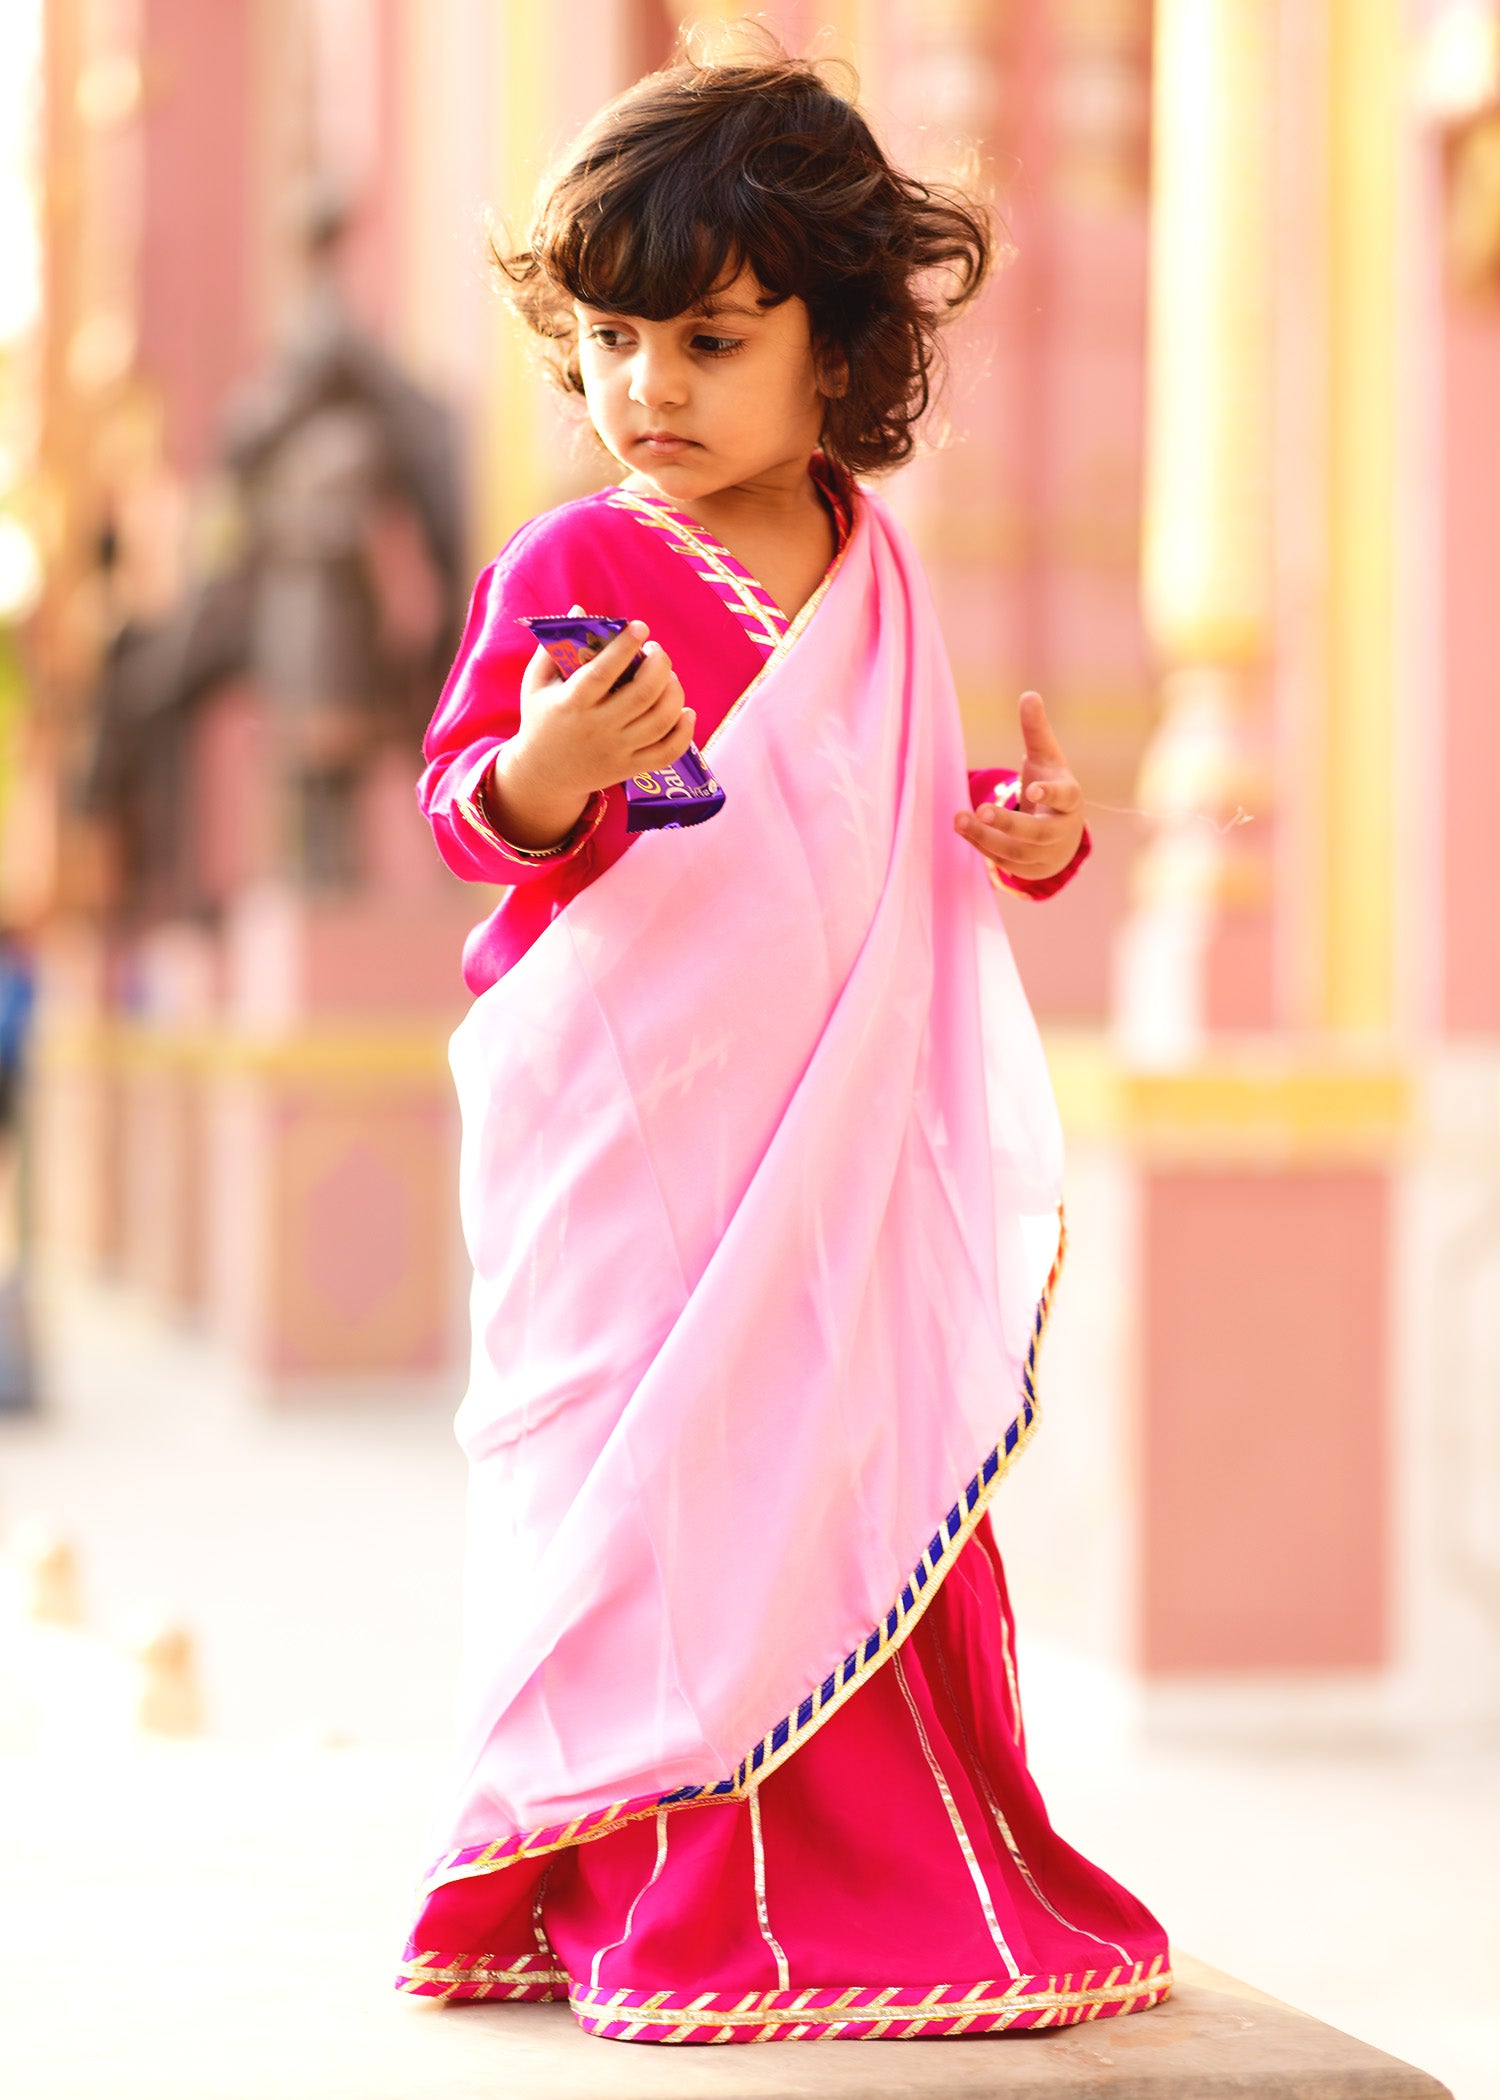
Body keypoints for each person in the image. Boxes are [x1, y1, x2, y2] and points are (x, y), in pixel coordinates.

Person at [402, 52, 1169, 2045]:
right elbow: (466, 814)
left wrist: (1030, 832)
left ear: (838, 355)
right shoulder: (575, 569)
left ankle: (899, 1873)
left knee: (836, 1481)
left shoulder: (881, 576)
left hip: (826, 1172)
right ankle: (631, 1881)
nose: (645, 384)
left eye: (709, 338)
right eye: (608, 337)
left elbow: (868, 818)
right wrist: (547, 775)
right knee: (653, 1506)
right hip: (640, 1167)